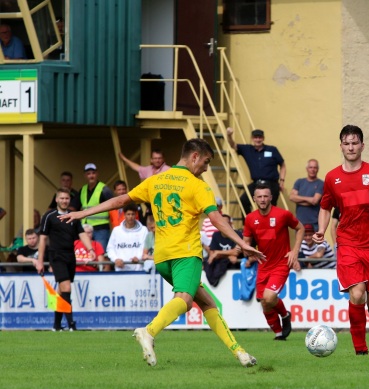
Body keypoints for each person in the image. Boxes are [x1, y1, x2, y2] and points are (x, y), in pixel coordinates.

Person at [60, 138, 264, 367]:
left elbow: (120, 200)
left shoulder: (155, 181)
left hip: (162, 257)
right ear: (194, 156)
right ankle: (148, 331)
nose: (206, 168)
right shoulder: (198, 186)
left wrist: (82, 213)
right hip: (186, 254)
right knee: (185, 300)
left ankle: (240, 353)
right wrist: (242, 243)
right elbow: (216, 219)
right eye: (206, 162)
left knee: (207, 304)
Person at [312, 125, 369, 355]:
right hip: (349, 243)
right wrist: (321, 229)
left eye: (355, 143)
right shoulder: (332, 177)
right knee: (357, 292)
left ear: (362, 145)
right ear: (341, 146)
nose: (351, 147)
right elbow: (325, 207)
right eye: (346, 143)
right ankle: (360, 349)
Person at [243, 181, 304, 340]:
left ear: (271, 197)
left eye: (265, 196)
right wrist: (246, 250)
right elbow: (246, 243)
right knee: (264, 302)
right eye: (259, 196)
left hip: (281, 264)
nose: (262, 199)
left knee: (269, 297)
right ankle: (278, 334)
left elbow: (300, 228)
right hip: (263, 266)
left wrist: (295, 251)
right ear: (254, 199)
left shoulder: (282, 215)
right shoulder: (250, 219)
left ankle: (285, 315)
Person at [37, 189, 96, 331]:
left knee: (61, 291)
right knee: (66, 287)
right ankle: (71, 324)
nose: (64, 200)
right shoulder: (49, 216)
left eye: (67, 198)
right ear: (56, 200)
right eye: (61, 198)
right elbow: (43, 238)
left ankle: (56, 325)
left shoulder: (73, 216)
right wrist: (40, 261)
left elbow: (81, 233)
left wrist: (91, 249)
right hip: (56, 256)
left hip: (70, 255)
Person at [226, 128, 286, 211]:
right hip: (256, 183)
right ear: (252, 138)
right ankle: (248, 223)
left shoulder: (272, 150)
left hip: (271, 183)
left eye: (260, 137)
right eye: (255, 137)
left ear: (263, 138)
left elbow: (282, 165)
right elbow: (233, 145)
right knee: (243, 200)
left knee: (270, 206)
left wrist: (282, 181)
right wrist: (229, 135)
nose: (258, 139)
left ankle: (270, 223)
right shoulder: (247, 149)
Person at [80, 163, 114, 251]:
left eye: (93, 173)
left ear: (97, 174)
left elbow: (114, 206)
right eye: (88, 173)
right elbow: (73, 206)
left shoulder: (104, 189)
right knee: (86, 254)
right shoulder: (83, 189)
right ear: (84, 175)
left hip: (101, 229)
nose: (91, 176)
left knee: (101, 255)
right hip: (86, 228)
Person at [106, 203, 148, 271]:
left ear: (136, 215)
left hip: (138, 269)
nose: (130, 217)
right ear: (124, 215)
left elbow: (146, 247)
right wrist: (116, 259)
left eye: (133, 214)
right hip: (120, 269)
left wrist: (139, 257)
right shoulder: (116, 230)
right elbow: (110, 248)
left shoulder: (144, 230)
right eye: (128, 214)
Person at [204, 214, 243, 287]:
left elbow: (236, 252)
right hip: (220, 263)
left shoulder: (237, 234)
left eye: (226, 223)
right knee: (207, 262)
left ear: (231, 224)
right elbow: (213, 254)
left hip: (234, 265)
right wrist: (228, 255)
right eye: (222, 223)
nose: (224, 226)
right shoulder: (216, 235)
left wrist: (218, 252)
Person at [289, 159, 324, 228]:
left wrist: (298, 200)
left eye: (315, 167)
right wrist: (309, 200)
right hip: (300, 223)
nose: (312, 170)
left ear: (318, 169)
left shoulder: (321, 184)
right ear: (307, 169)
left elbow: (314, 201)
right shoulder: (299, 182)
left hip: (315, 223)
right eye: (310, 167)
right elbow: (291, 197)